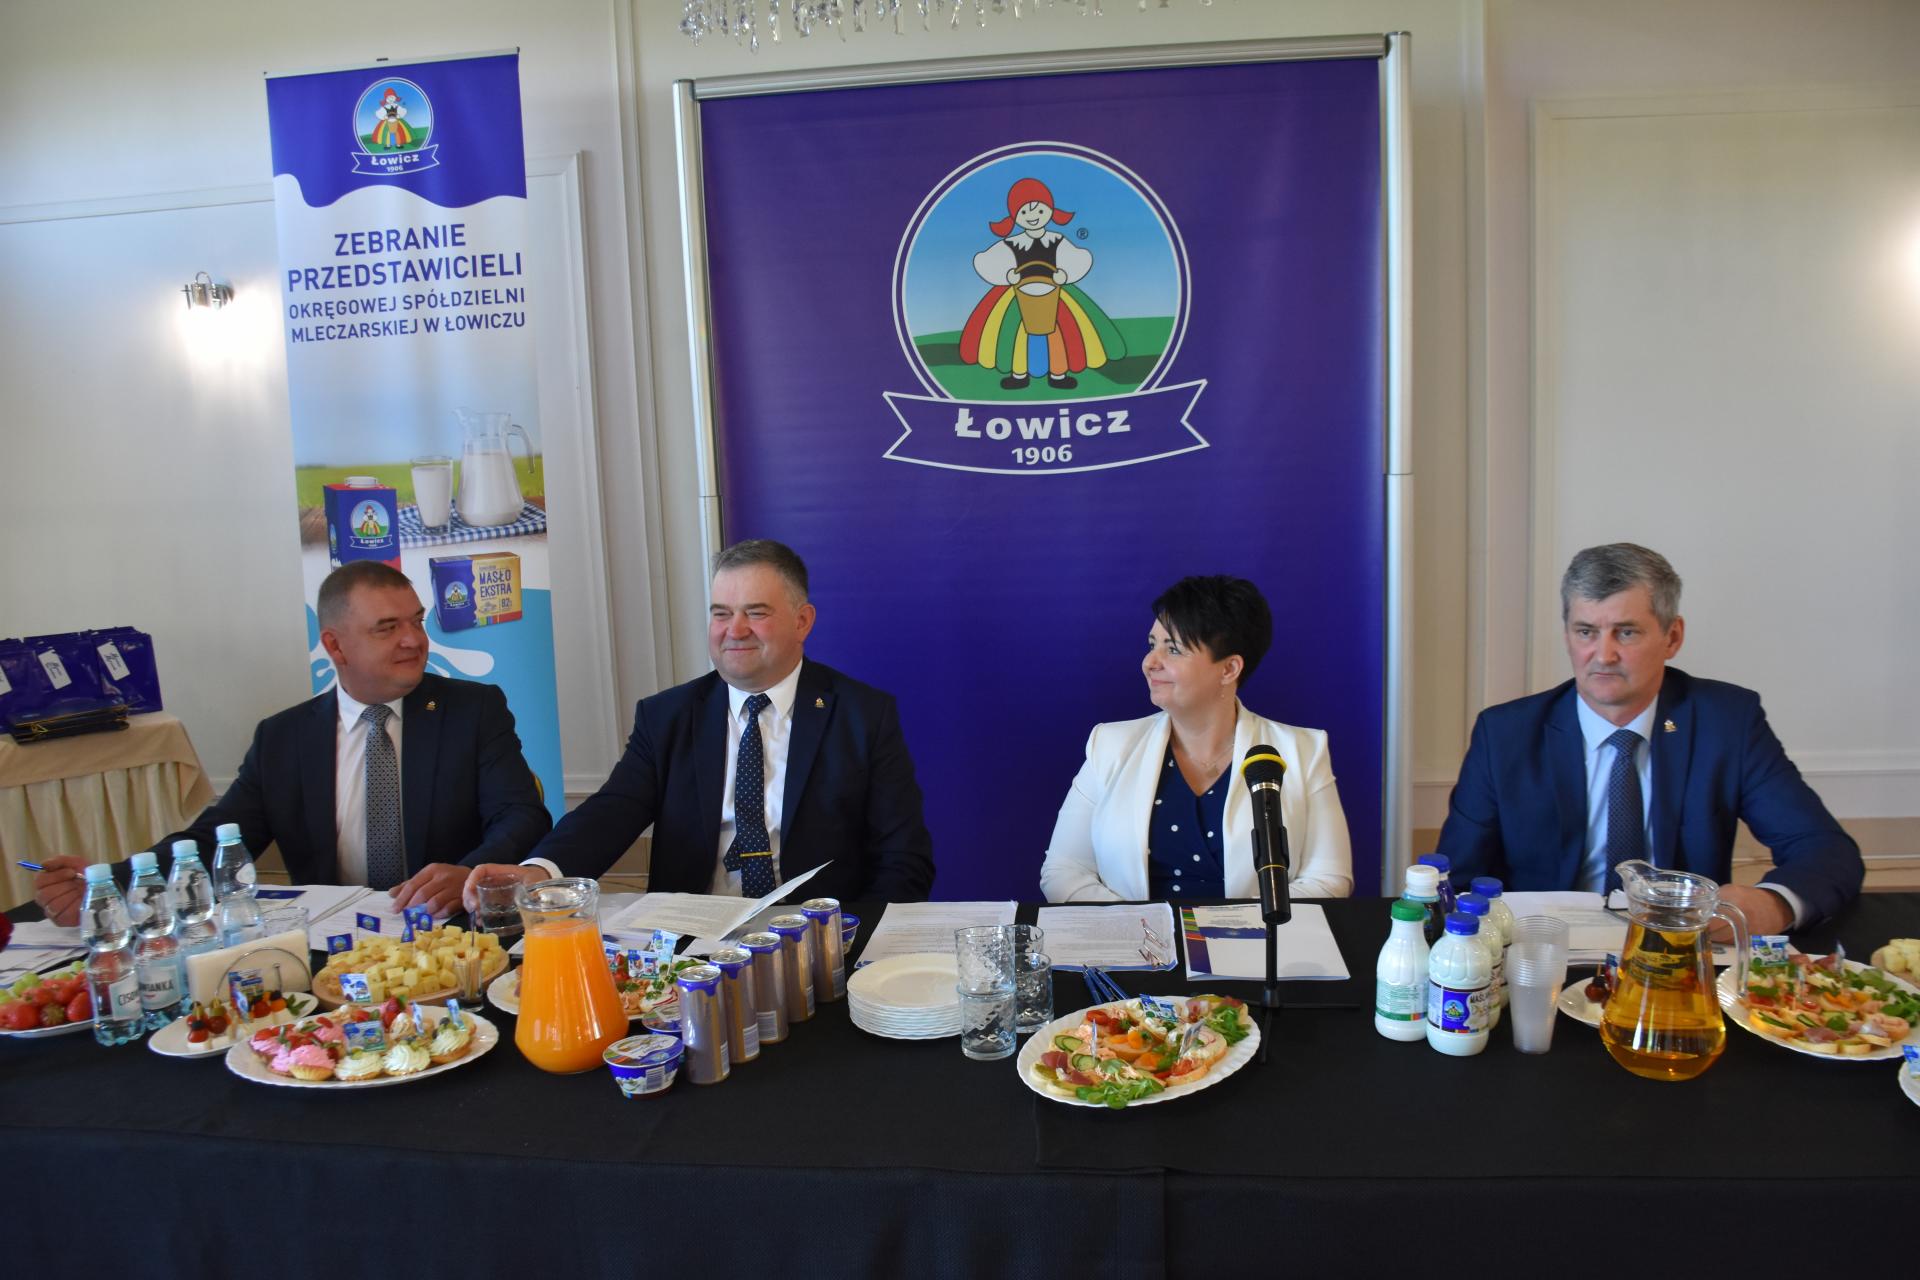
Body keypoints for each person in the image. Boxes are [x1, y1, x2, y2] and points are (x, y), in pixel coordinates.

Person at [31, 561, 550, 925]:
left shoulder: (472, 710)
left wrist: (471, 874)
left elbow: (520, 814)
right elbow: (216, 840)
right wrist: (109, 882)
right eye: (387, 628)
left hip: (451, 928)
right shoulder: (283, 738)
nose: (414, 639)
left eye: (416, 621)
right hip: (333, 943)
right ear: (335, 646)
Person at [466, 539, 934, 907]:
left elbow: (903, 858)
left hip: (817, 942)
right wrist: (541, 871)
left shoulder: (862, 716)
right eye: (721, 614)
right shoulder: (666, 717)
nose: (735, 629)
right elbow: (611, 813)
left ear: (802, 621)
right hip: (693, 946)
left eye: (756, 613)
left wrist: (851, 943)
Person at [1434, 543, 1862, 932]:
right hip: (1544, 954)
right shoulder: (1506, 735)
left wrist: (1774, 904)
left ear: (1672, 637)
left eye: (1626, 632)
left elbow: (1824, 849)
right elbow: (1456, 881)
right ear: (1567, 635)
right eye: (1586, 632)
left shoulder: (1727, 723)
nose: (1603, 655)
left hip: (1679, 956)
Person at [1039, 575, 1353, 902]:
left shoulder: (1302, 751)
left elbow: (1328, 880)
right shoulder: (1109, 745)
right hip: (1133, 935)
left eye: (1173, 649)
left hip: (1256, 936)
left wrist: (1237, 928)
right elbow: (1064, 870)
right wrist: (1135, 926)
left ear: (1229, 669)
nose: (1150, 663)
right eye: (1152, 644)